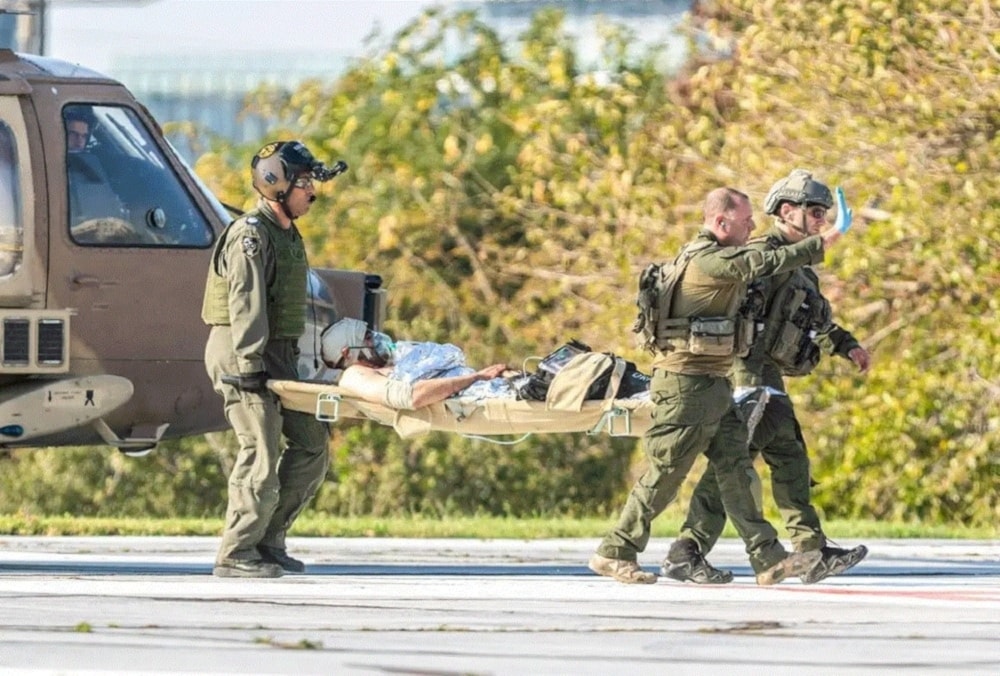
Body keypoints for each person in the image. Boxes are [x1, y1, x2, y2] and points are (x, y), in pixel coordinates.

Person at [589, 186, 846, 585]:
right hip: (684, 387)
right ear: (720, 222)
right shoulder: (708, 260)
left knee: (735, 467)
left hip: (712, 383)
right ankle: (616, 550)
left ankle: (769, 558)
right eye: (746, 221)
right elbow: (761, 261)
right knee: (665, 474)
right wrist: (823, 241)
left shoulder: (715, 256)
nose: (753, 226)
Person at [664, 170, 870, 585]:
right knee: (734, 463)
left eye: (822, 213)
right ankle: (687, 549)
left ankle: (810, 549)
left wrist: (847, 345)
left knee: (791, 459)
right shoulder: (762, 258)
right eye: (813, 212)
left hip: (770, 374)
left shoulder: (801, 271)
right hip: (747, 373)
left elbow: (815, 318)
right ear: (786, 211)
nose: (819, 220)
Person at [202, 140, 346, 578]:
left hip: (277, 356)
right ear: (276, 184)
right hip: (244, 353)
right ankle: (236, 552)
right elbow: (246, 304)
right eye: (304, 184)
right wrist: (249, 368)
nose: (312, 193)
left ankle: (268, 540)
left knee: (311, 445)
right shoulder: (250, 235)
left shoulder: (283, 232)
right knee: (260, 452)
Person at [319, 317, 509, 409]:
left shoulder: (388, 362)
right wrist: (476, 377)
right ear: (347, 353)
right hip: (477, 392)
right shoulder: (354, 376)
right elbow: (412, 396)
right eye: (367, 337)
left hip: (484, 384)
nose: (376, 339)